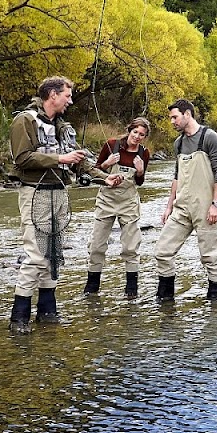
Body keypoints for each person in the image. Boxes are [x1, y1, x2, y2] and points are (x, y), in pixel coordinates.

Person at [7, 76, 120, 334]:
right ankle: (19, 317)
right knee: (36, 254)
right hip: (34, 192)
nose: (70, 100)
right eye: (67, 96)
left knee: (53, 255)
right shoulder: (24, 121)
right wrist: (60, 157)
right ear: (52, 95)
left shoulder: (62, 126)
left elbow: (79, 161)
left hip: (59, 192)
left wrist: (104, 178)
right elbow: (22, 158)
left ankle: (48, 312)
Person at [154, 99, 217, 302]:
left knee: (210, 257)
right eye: (171, 118)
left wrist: (216, 205)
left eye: (175, 117)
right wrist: (169, 206)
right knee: (163, 251)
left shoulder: (209, 137)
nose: (172, 122)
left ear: (187, 114)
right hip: (182, 208)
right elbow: (177, 176)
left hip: (206, 208)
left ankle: (215, 301)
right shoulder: (178, 144)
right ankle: (165, 301)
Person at [84, 117, 152, 299]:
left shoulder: (144, 153)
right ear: (129, 130)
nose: (137, 137)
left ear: (145, 138)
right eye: (135, 132)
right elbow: (95, 172)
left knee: (130, 246)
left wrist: (140, 171)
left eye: (142, 135)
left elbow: (139, 182)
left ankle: (131, 290)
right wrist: (106, 164)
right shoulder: (111, 145)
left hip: (128, 202)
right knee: (97, 245)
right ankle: (91, 288)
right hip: (106, 200)